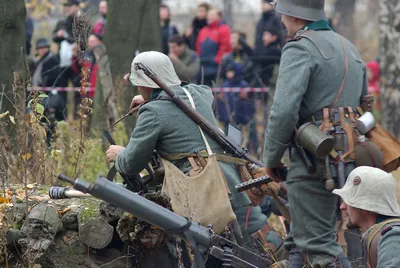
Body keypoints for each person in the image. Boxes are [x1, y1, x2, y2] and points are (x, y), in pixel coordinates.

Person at [105, 51, 283, 263]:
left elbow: (131, 164)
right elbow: (191, 91)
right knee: (256, 241)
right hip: (233, 183)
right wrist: (151, 97)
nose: (137, 88)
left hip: (202, 194)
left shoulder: (152, 113)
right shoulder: (199, 94)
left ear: (146, 84)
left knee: (225, 255)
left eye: (138, 85)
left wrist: (120, 154)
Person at [262, 0, 368, 267]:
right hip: (349, 161)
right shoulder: (349, 47)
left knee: (319, 247)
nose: (281, 19)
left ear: (290, 12)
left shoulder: (300, 47)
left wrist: (271, 160)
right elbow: (365, 104)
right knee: (299, 243)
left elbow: (284, 112)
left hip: (313, 165)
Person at [333, 166, 400, 268]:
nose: (342, 206)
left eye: (348, 201)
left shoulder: (392, 237)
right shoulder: (380, 235)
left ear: (365, 206)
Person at [196, 8, 232, 86]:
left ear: (219, 17)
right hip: (203, 66)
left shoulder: (224, 29)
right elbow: (198, 47)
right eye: (208, 15)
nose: (209, 17)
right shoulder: (203, 30)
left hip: (216, 67)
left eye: (212, 15)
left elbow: (225, 46)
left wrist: (217, 60)